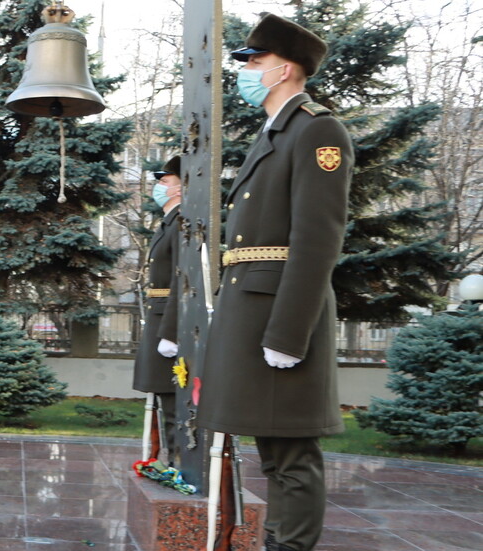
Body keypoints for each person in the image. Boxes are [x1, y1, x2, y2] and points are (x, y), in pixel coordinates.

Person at [195, 13, 353, 551]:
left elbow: (317, 239)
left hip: (278, 315)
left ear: (284, 69)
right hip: (253, 308)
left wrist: (288, 334)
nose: (245, 70)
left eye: (253, 61)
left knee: (292, 455)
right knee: (272, 450)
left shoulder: (316, 130)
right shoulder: (277, 132)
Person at [132, 156, 183, 464]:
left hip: (168, 318)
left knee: (173, 398)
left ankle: (179, 464)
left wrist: (172, 330)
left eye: (165, 182)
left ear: (181, 189)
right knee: (164, 395)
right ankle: (169, 460)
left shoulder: (181, 222)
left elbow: (182, 277)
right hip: (159, 313)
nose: (158, 187)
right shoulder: (168, 222)